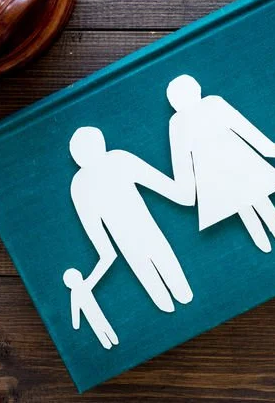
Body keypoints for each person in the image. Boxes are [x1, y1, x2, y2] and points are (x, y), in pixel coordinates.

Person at [166, 74, 275, 253]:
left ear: (174, 102)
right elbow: (262, 143)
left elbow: (182, 167)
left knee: (245, 206)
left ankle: (268, 241)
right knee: (256, 201)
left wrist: (184, 193)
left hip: (220, 177)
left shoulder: (178, 122)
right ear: (196, 90)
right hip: (239, 167)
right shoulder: (211, 104)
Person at [69, 127, 194, 314]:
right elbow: (170, 189)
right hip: (147, 237)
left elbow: (105, 252)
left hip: (134, 247)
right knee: (180, 295)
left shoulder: (80, 184)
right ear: (100, 144)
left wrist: (87, 283)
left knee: (170, 300)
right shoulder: (116, 160)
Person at [63, 267, 118, 349]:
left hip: (93, 314)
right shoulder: (81, 288)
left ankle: (110, 341)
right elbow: (75, 309)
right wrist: (76, 323)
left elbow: (75, 309)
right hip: (93, 314)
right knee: (102, 326)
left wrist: (76, 324)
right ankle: (110, 341)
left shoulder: (76, 292)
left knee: (100, 327)